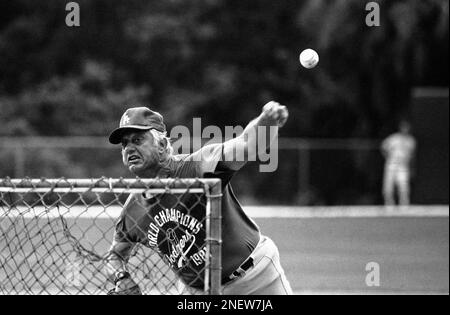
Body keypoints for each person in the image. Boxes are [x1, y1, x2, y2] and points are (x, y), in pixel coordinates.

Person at [105, 101, 293, 295]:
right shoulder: (133, 210)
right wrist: (121, 277)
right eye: (124, 143)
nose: (128, 148)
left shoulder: (197, 167)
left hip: (255, 277)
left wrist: (267, 122)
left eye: (137, 140)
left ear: (161, 145)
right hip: (197, 291)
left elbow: (246, 145)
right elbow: (114, 255)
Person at [381, 121, 416, 207]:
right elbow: (383, 147)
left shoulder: (411, 141)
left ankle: (404, 205)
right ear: (400, 128)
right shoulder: (394, 138)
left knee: (403, 186)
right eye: (404, 127)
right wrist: (388, 157)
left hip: (403, 165)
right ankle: (389, 205)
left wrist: (412, 168)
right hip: (392, 164)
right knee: (388, 186)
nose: (405, 129)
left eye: (407, 127)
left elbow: (412, 156)